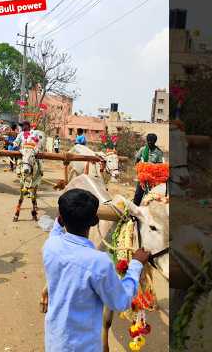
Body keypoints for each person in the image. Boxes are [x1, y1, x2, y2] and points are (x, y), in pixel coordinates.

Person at [43, 189, 150, 352]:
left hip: (54, 341)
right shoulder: (99, 263)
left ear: (62, 219)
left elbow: (55, 232)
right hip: (83, 347)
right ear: (94, 221)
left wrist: (61, 220)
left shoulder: (50, 246)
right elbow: (121, 302)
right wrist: (135, 264)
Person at [133, 133, 164, 206]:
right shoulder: (143, 149)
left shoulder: (158, 152)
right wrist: (138, 169)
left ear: (154, 141)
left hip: (153, 179)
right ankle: (134, 212)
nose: (149, 142)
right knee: (138, 195)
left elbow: (160, 165)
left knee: (151, 196)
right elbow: (137, 160)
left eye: (151, 141)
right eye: (148, 141)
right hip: (143, 177)